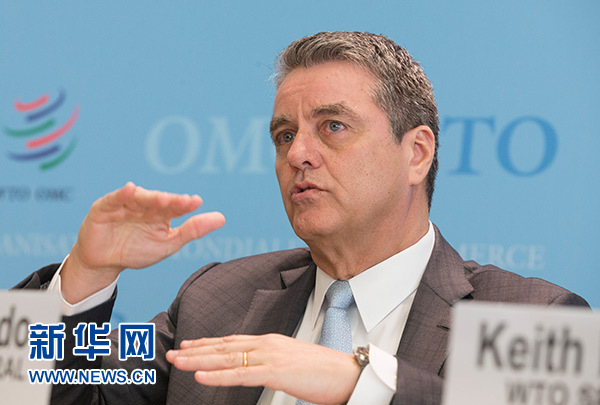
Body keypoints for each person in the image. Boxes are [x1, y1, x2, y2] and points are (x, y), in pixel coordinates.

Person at [16, 31, 588, 405]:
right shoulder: (217, 301)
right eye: (284, 135)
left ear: (416, 153)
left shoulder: (528, 315)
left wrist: (360, 383)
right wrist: (84, 277)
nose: (298, 154)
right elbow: (36, 390)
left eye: (333, 127)